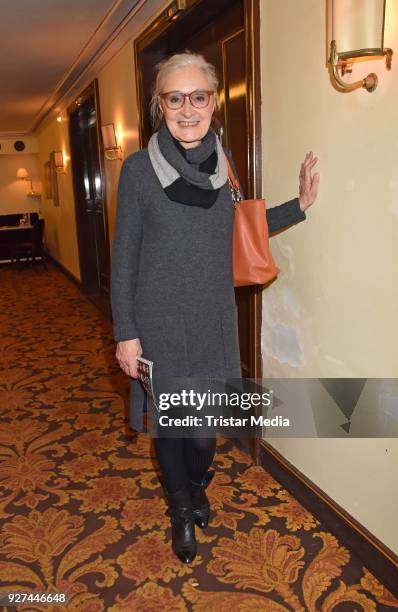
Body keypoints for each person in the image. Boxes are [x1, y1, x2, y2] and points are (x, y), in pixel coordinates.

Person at [111, 52, 319, 565]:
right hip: (157, 326)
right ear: (160, 105)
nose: (187, 109)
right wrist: (126, 332)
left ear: (213, 102)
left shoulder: (222, 167)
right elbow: (123, 259)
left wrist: (299, 206)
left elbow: (240, 231)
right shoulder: (139, 170)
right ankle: (182, 509)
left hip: (214, 321)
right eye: (174, 98)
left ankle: (196, 485)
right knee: (170, 428)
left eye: (198, 97)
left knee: (203, 434)